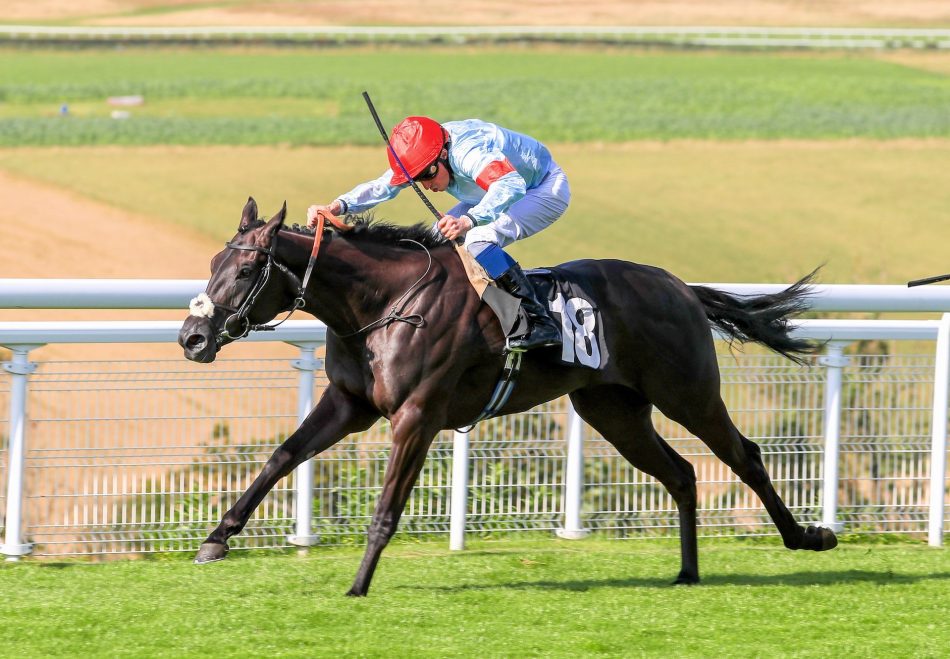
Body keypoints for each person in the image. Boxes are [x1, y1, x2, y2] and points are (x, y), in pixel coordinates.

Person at [307, 116, 570, 351]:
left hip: (541, 189)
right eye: (417, 180)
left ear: (444, 154)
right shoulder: (424, 151)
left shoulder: (468, 151)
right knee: (433, 241)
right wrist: (336, 206)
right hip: (488, 191)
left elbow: (509, 184)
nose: (427, 185)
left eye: (428, 175)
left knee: (478, 239)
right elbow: (381, 187)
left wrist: (468, 220)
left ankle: (537, 322)